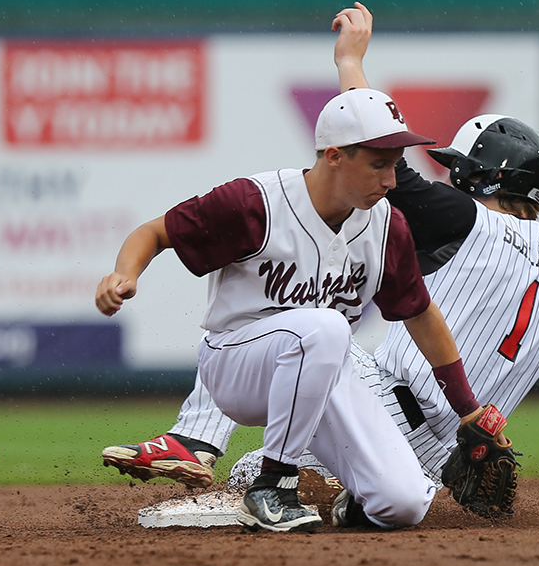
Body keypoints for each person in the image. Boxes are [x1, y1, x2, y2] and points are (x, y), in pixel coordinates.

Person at [105, 2, 539, 517]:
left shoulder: (464, 220)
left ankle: (207, 445)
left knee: (272, 311)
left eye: (461, 173)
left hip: (377, 400)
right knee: (318, 366)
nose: (450, 182)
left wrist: (350, 63)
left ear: (483, 181)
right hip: (436, 459)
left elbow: (379, 150)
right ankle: (342, 496)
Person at [96, 81, 499, 532]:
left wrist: (468, 409)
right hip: (236, 366)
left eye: (395, 165)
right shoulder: (257, 203)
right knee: (326, 328)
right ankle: (273, 486)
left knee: (401, 504)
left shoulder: (387, 224)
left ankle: (346, 498)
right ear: (335, 156)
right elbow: (154, 233)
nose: (390, 180)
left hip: (319, 372)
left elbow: (419, 313)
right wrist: (124, 274)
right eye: (379, 164)